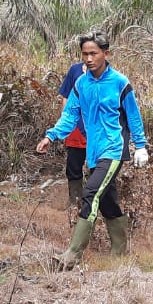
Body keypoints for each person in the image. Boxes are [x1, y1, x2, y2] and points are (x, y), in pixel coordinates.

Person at [35, 32, 148, 269]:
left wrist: (140, 146)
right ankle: (120, 252)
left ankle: (72, 255)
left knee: (90, 194)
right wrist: (50, 136)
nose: (88, 58)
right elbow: (69, 117)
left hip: (114, 150)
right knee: (107, 201)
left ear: (106, 54)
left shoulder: (119, 82)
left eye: (93, 53)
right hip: (93, 152)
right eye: (85, 54)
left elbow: (134, 116)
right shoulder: (81, 84)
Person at [56, 42, 89, 206]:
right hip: (76, 126)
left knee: (98, 167)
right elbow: (65, 97)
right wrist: (64, 124)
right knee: (74, 166)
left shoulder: (108, 75)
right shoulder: (75, 70)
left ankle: (93, 203)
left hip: (97, 128)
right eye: (86, 53)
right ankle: (75, 202)